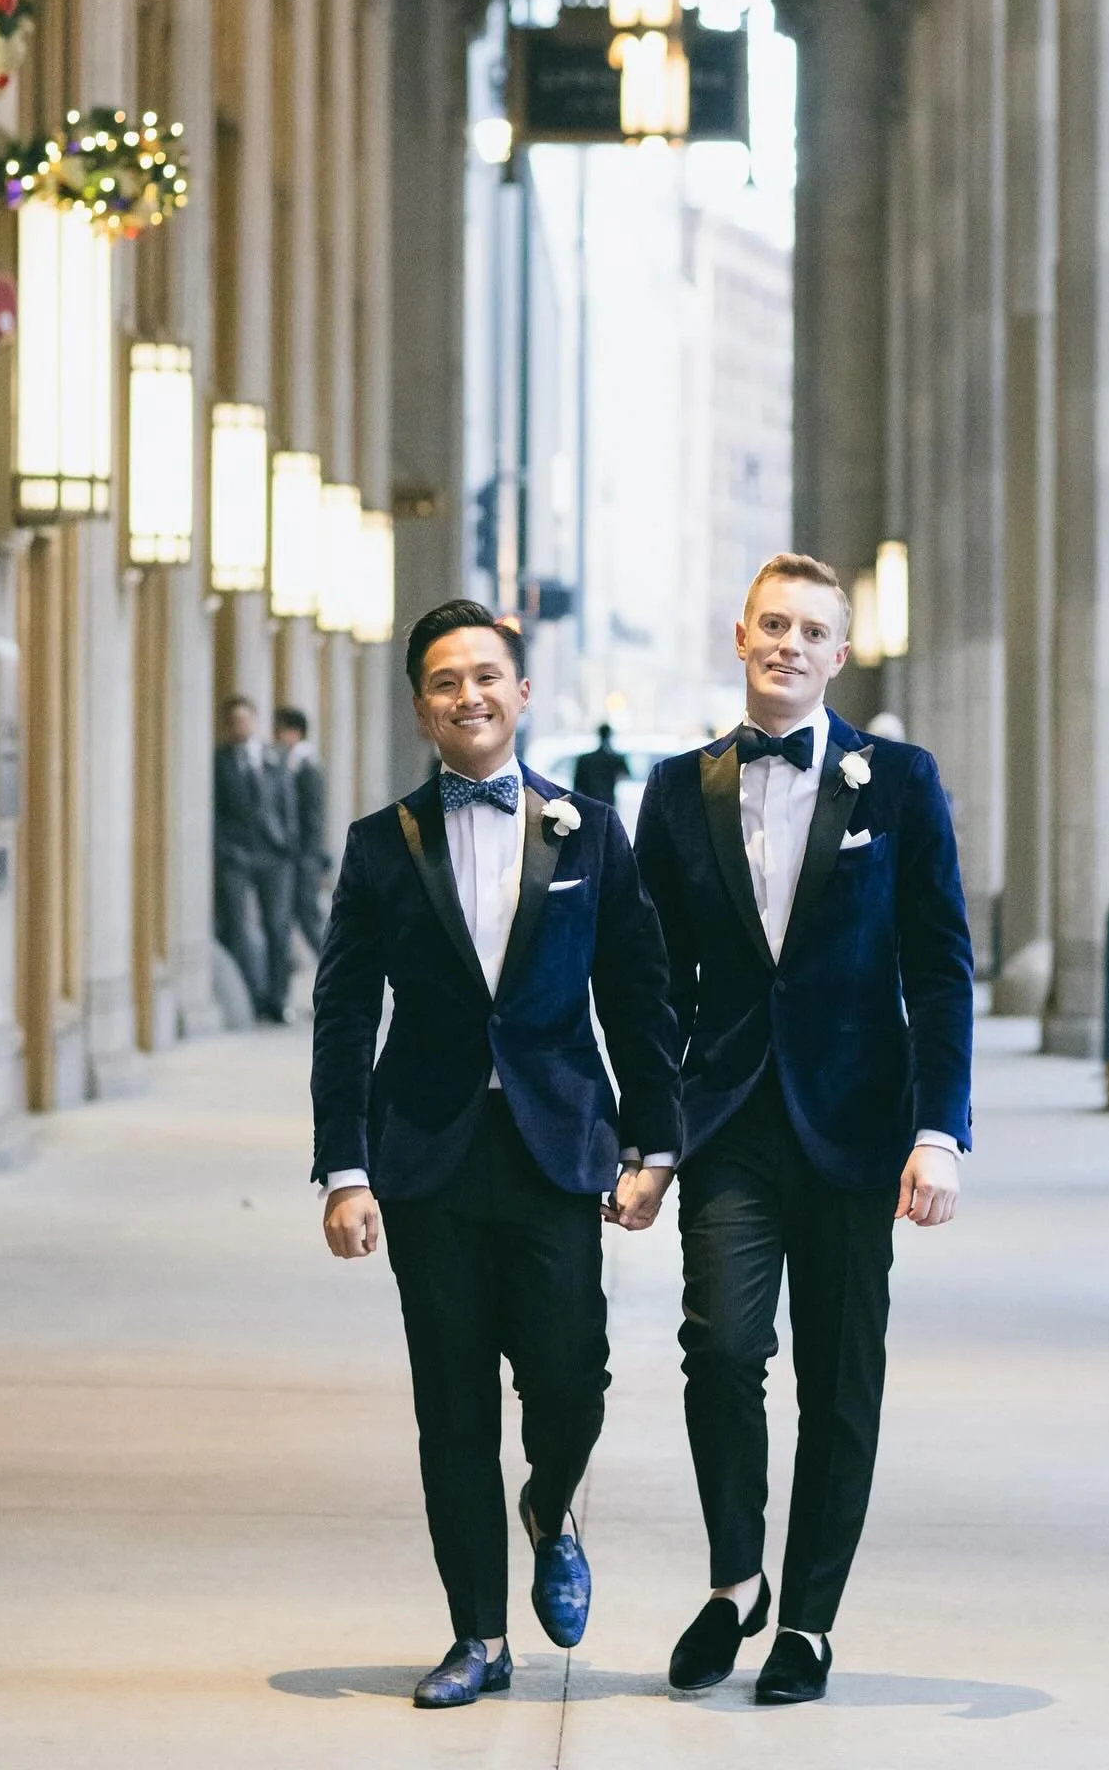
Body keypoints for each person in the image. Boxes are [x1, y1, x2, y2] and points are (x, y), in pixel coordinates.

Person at [311, 599, 682, 1711]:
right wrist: (344, 1168)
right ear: (421, 709)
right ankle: (477, 1635)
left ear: (523, 694)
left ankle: (549, 1504)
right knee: (454, 1404)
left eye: (486, 676)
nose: (467, 695)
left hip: (556, 1149)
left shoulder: (591, 832)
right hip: (425, 1156)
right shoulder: (383, 846)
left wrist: (653, 1143)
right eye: (443, 681)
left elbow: (639, 995)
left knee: (571, 1374)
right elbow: (342, 1014)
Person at [633, 552, 974, 1706]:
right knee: (721, 1351)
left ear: (839, 653)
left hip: (856, 1128)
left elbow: (939, 969)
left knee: (838, 1378)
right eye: (770, 623)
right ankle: (737, 1581)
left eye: (810, 630)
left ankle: (810, 1622)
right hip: (727, 1119)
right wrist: (650, 1137)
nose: (787, 643)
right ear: (740, 638)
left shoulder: (904, 783)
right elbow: (649, 988)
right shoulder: (678, 792)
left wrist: (942, 1130)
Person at [213, 696, 297, 1023]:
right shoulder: (219, 762)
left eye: (245, 720)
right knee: (236, 925)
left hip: (274, 854)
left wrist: (289, 842)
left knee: (277, 926)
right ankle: (249, 996)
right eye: (234, 721)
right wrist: (224, 848)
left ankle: (277, 999)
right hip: (237, 855)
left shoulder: (273, 757)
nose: (240, 727)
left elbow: (288, 802)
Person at [272, 706, 329, 956]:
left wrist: (308, 856)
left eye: (280, 730)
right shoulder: (293, 763)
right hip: (298, 855)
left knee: (307, 916)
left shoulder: (306, 766)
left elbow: (312, 817)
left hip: (304, 855)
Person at [572, 722, 630, 807]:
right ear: (610, 736)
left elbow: (576, 785)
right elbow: (625, 774)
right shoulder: (615, 759)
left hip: (588, 801)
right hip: (608, 802)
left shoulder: (585, 759)